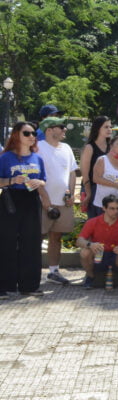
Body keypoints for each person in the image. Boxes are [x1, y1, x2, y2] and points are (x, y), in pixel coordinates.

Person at [0, 122, 48, 297]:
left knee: (32, 242)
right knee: (7, 242)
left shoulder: (38, 158)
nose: (31, 136)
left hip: (31, 199)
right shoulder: (5, 157)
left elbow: (43, 179)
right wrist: (12, 181)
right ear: (16, 135)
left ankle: (29, 285)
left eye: (33, 133)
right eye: (26, 133)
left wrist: (39, 183)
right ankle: (5, 285)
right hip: (10, 200)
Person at [36, 117, 78, 286]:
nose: (64, 129)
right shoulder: (38, 148)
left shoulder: (67, 148)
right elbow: (34, 175)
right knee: (35, 238)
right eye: (61, 127)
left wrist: (71, 193)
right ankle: (29, 272)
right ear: (49, 130)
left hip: (63, 202)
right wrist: (44, 198)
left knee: (56, 238)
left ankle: (53, 271)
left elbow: (72, 172)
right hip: (41, 202)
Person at [77, 195, 118, 296]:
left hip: (115, 257)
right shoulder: (93, 222)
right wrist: (91, 244)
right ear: (104, 208)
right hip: (97, 256)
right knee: (84, 252)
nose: (115, 211)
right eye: (112, 208)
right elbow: (79, 241)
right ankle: (90, 277)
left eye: (117, 208)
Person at [91, 136, 118, 222]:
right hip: (105, 205)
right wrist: (114, 185)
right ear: (111, 146)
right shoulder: (102, 160)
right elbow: (96, 179)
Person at [79, 116, 112, 218]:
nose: (109, 129)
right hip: (92, 188)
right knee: (94, 220)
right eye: (106, 127)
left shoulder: (111, 146)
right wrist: (88, 193)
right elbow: (85, 173)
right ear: (98, 128)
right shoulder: (89, 147)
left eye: (110, 127)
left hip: (107, 187)